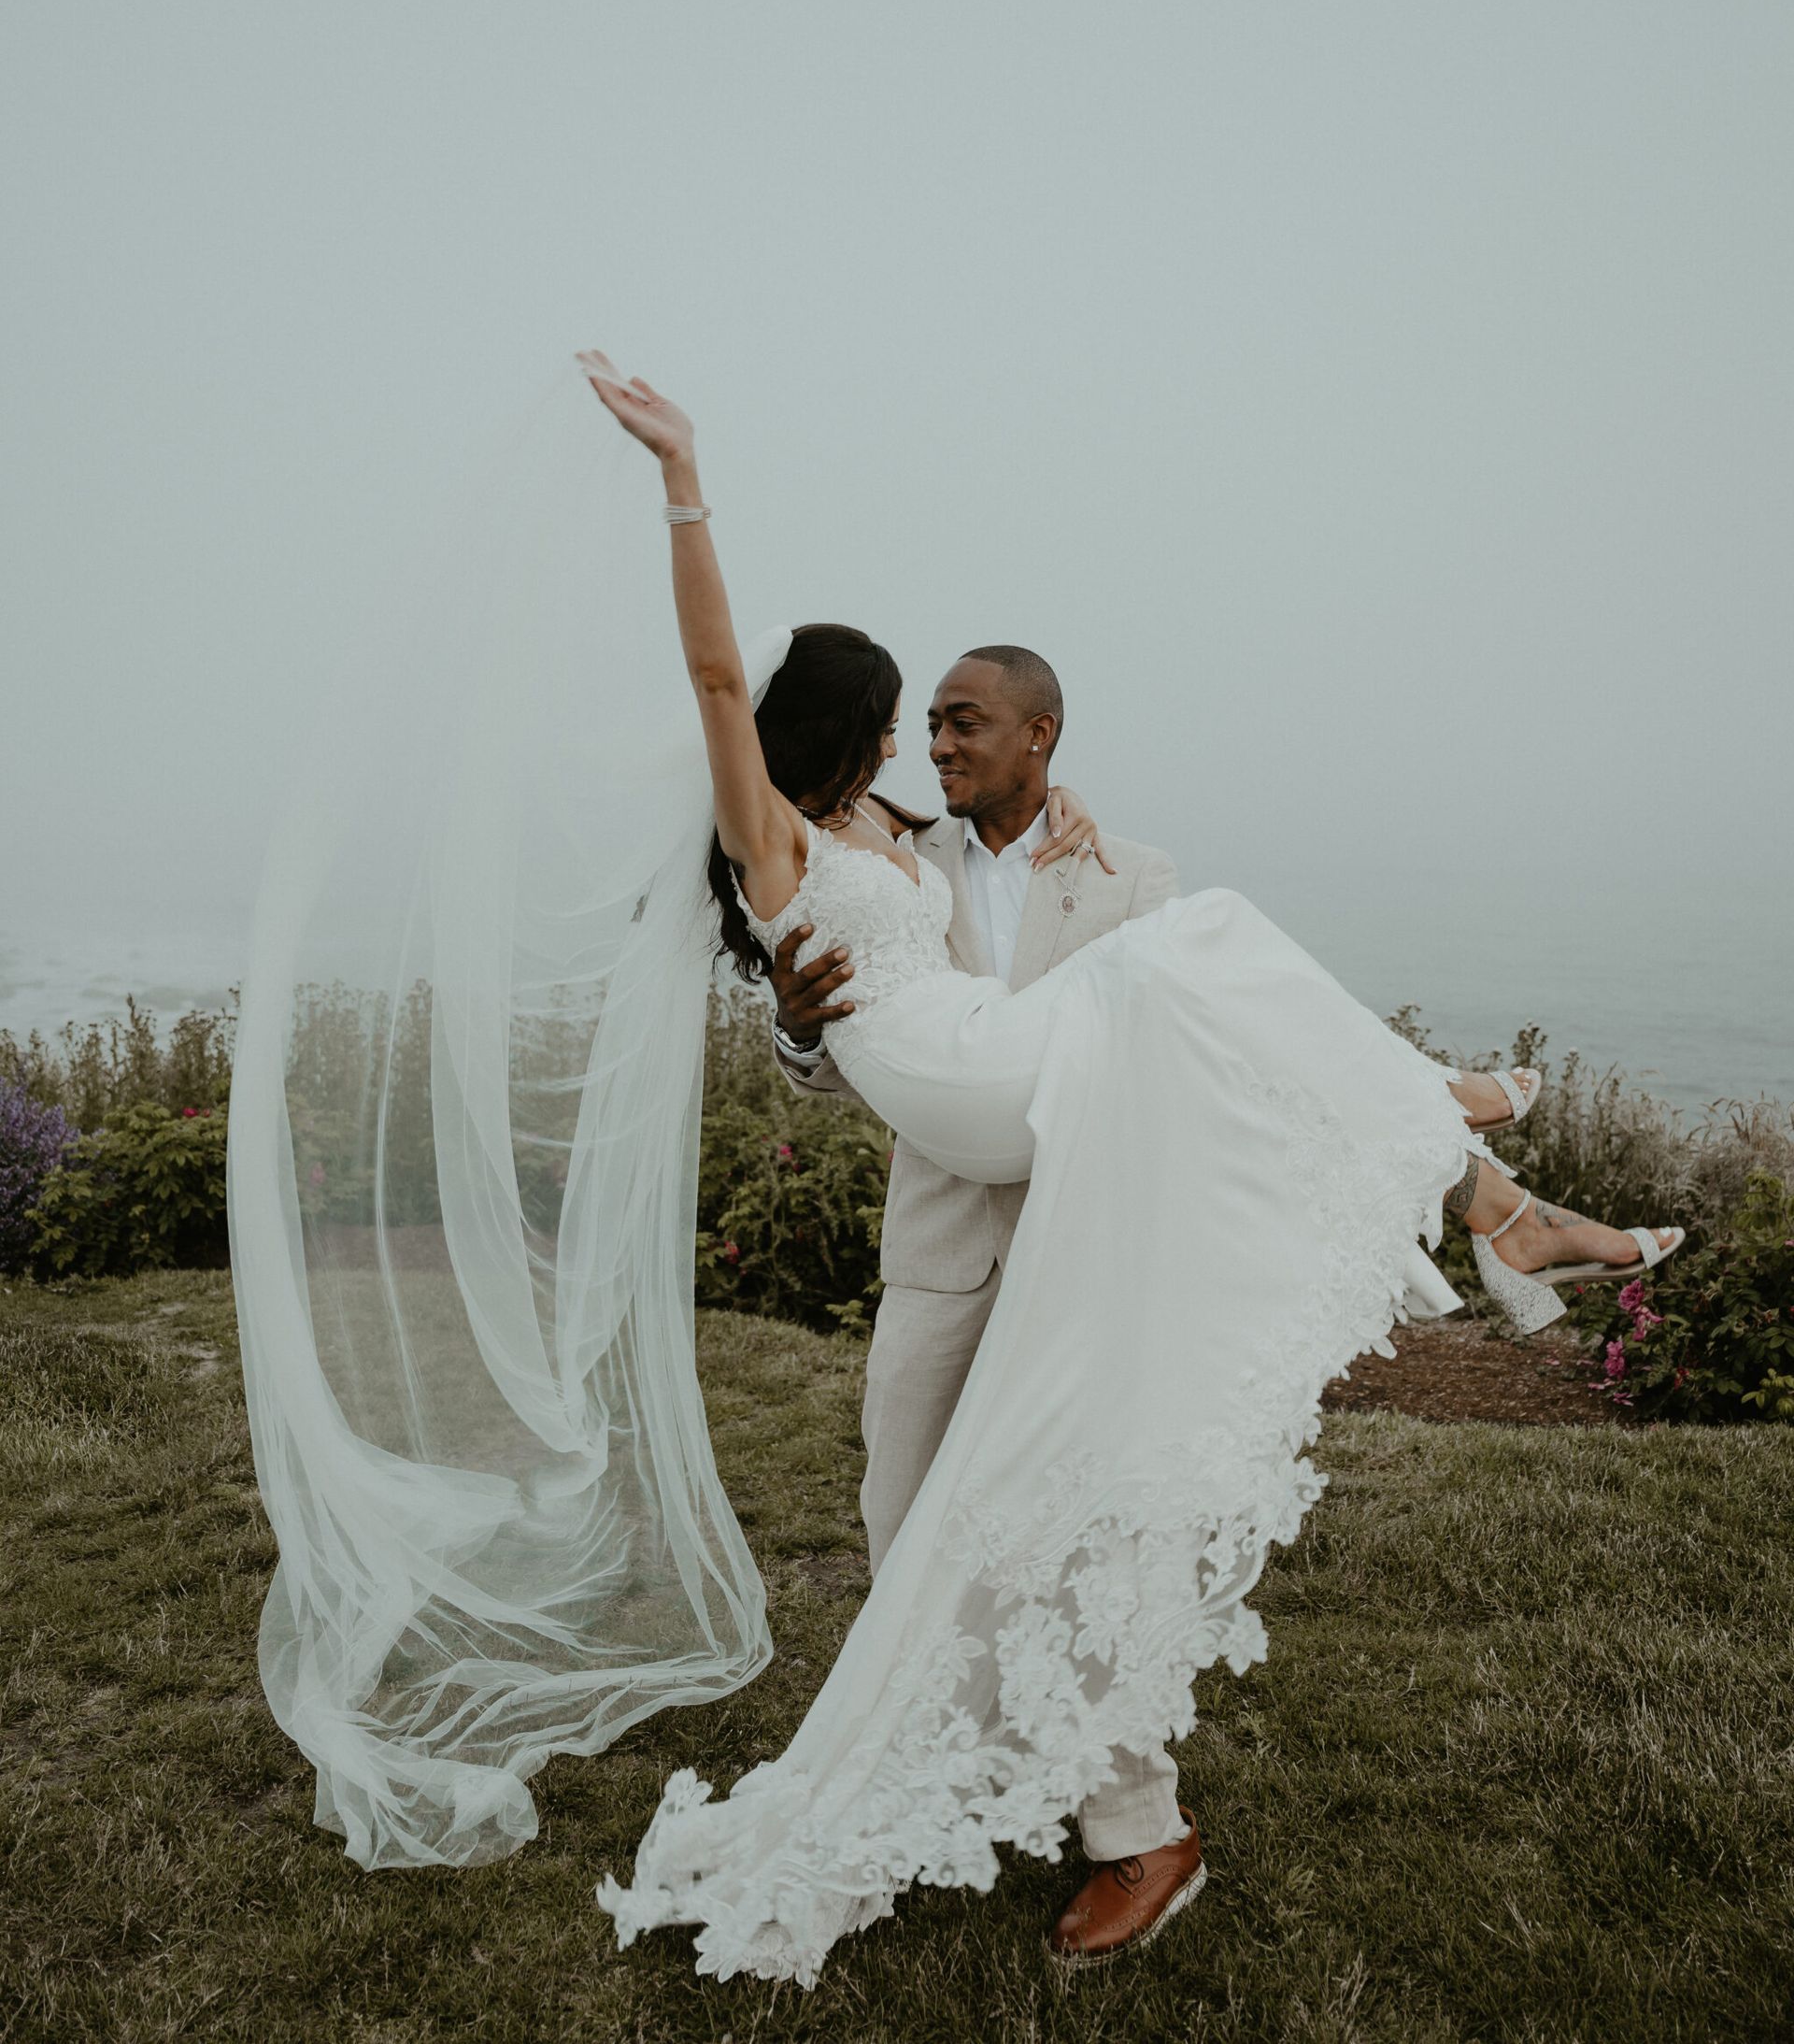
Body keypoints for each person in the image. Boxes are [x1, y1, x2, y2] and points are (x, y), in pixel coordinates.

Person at [578, 350, 1683, 1985]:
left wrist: (1057, 825)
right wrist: (685, 477)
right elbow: (719, 687)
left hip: (1090, 1199)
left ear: (1041, 739)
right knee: (908, 1525)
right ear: (859, 734)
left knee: (1087, 1509)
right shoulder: (819, 841)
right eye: (913, 721)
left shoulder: (1086, 856)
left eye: (962, 724)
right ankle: (1466, 1151)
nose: (931, 741)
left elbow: (1192, 1042)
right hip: (966, 1170)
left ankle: (1136, 1830)